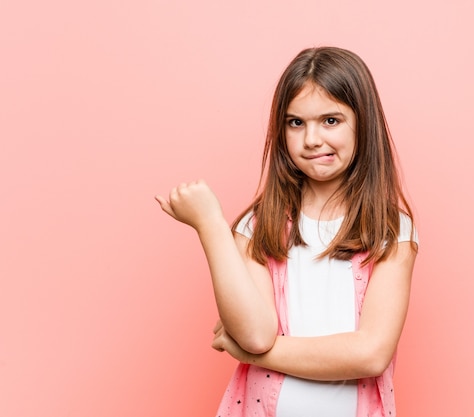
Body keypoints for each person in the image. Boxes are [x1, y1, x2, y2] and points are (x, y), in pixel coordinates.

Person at [155, 46, 418, 417]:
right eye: (296, 122)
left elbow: (371, 354)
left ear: (363, 123)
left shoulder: (392, 232)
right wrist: (211, 225)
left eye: (330, 121)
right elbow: (256, 333)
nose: (311, 139)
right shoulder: (258, 228)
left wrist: (254, 355)